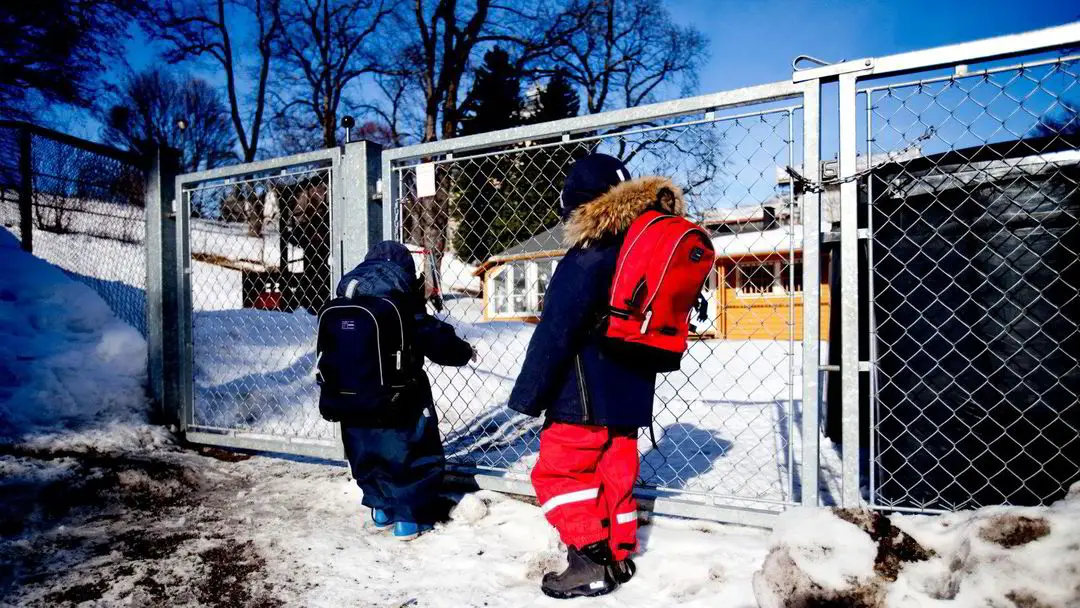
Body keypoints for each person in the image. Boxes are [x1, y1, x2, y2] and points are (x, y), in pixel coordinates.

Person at [508, 154, 685, 598]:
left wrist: (529, 396)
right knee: (614, 471)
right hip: (630, 394)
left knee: (558, 474)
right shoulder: (645, 248)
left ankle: (587, 557)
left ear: (581, 205)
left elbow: (556, 331)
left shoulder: (589, 255)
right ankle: (618, 553)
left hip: (580, 394)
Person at [335, 241, 474, 540]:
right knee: (409, 451)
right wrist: (463, 351)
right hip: (400, 400)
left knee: (365, 452)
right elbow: (437, 340)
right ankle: (409, 519)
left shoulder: (347, 303)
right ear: (405, 273)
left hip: (352, 402)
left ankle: (381, 508)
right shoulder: (402, 307)